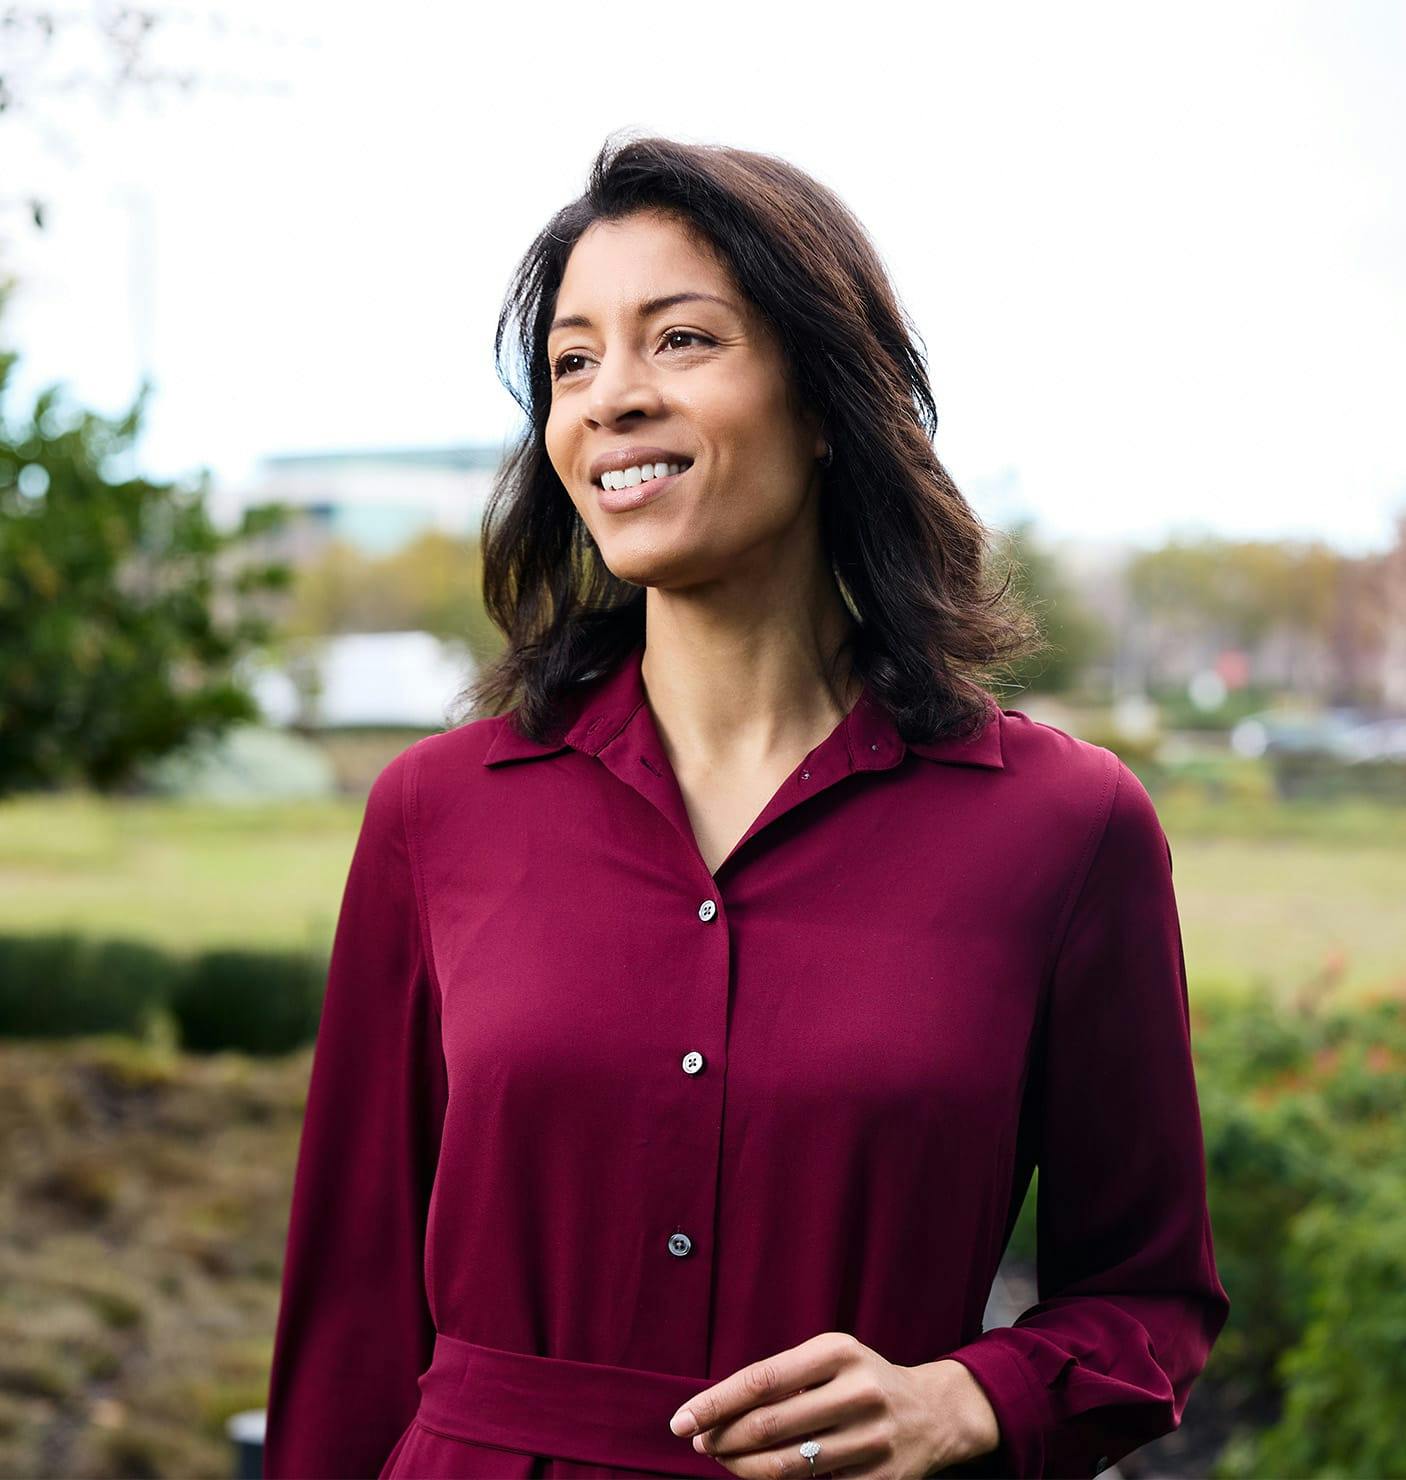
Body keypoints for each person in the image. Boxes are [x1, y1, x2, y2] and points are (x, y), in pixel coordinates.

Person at [262, 132, 1230, 1480]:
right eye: (573, 362)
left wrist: (971, 1398)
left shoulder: (1064, 831)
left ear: (826, 399)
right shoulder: (439, 812)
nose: (611, 398)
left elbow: (1149, 1299)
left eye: (682, 341)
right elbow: (352, 1311)